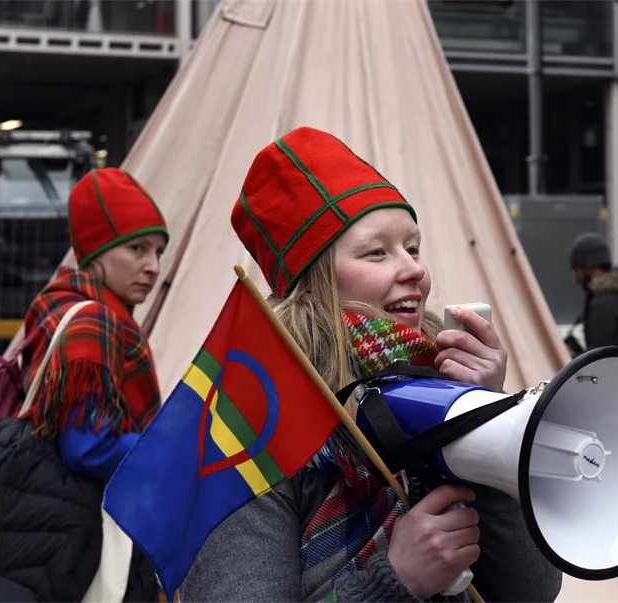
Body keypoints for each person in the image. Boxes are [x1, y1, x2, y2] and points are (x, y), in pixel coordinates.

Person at [180, 127, 562, 603]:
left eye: (413, 248)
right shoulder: (250, 425)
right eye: (377, 252)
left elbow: (531, 591)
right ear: (315, 282)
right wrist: (395, 581)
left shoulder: (440, 382)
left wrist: (485, 416)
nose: (415, 270)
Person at [0, 168, 167, 602]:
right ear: (96, 251)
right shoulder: (93, 322)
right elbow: (86, 446)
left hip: (32, 513)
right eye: (137, 249)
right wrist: (166, 449)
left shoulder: (59, 304)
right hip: (72, 524)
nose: (153, 266)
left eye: (158, 252)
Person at [566, 232, 618, 355]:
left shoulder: (603, 305)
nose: (577, 278)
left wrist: (576, 357)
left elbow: (603, 359)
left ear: (588, 267)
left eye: (577, 270)